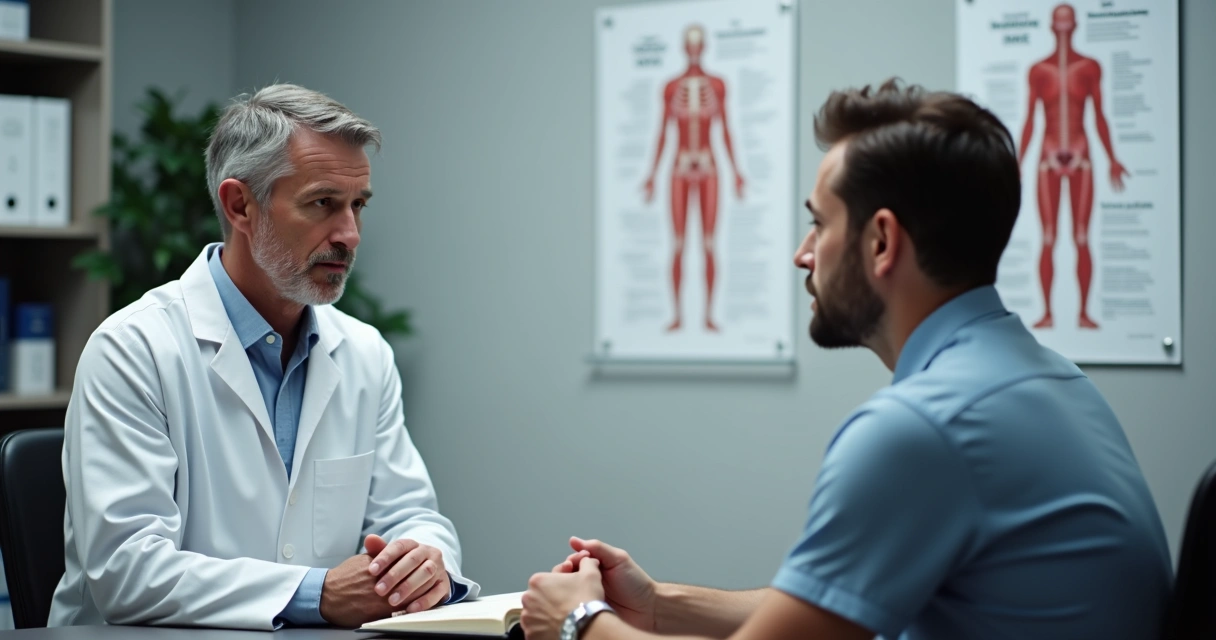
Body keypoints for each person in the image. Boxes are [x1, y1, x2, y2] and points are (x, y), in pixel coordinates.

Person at [521, 80, 1171, 640]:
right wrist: (658, 605)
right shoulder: (1048, 380)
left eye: (820, 224)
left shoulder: (924, 429)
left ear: (882, 240)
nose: (804, 254)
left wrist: (582, 623)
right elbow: (834, 611)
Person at [48, 84, 479, 630]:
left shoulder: (365, 353)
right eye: (323, 203)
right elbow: (127, 571)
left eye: (358, 206)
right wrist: (317, 594)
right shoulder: (133, 350)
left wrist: (421, 561)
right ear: (240, 205)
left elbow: (408, 512)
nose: (350, 234)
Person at [1018, 3, 1129, 330]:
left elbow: (1099, 117)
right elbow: (1030, 121)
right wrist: (1018, 162)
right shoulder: (1038, 70)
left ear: (1075, 26)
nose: (1064, 31)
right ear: (1053, 27)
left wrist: (1112, 158)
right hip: (1047, 157)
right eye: (1059, 25)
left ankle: (1082, 313)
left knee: (1081, 237)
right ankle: (1048, 313)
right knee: (1049, 237)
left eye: (1068, 25)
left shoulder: (1089, 67)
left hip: (1080, 154)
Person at [642, 24, 745, 332]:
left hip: (710, 167)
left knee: (710, 244)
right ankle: (677, 316)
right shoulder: (671, 87)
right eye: (690, 44)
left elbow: (726, 128)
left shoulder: (718, 84)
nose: (695, 49)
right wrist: (651, 173)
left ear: (705, 47)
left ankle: (708, 316)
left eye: (699, 44)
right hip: (680, 167)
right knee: (678, 244)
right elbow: (662, 131)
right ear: (684, 47)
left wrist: (737, 171)